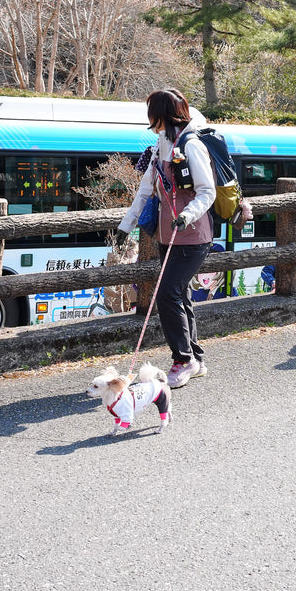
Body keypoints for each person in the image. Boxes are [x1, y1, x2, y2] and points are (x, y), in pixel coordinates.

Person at [113, 89, 216, 388]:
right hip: (166, 233)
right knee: (179, 294)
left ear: (162, 115)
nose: (149, 121)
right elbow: (146, 190)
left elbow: (207, 191)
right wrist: (125, 225)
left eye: (151, 114)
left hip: (194, 235)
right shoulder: (162, 145)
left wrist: (188, 215)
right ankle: (194, 359)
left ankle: (182, 361)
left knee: (167, 292)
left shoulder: (192, 144)